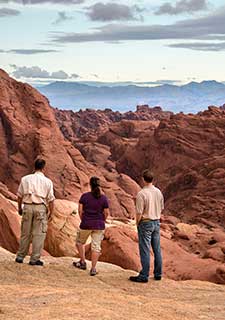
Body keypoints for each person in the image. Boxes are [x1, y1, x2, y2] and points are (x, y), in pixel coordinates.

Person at [15, 158, 55, 266]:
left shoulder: (25, 179)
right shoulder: (48, 181)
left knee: (25, 233)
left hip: (27, 206)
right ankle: (34, 259)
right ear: (43, 168)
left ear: (34, 167)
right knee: (38, 234)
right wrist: (51, 212)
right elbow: (51, 199)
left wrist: (20, 208)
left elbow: (19, 196)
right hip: (40, 208)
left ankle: (20, 256)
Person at [129, 169, 164, 283]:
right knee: (157, 249)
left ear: (143, 179)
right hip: (156, 222)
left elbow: (139, 212)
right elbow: (161, 207)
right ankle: (158, 274)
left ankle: (144, 275)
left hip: (145, 222)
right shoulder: (158, 192)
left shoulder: (141, 193)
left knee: (145, 249)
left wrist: (137, 223)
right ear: (152, 179)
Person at [73, 176, 109, 276]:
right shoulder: (103, 198)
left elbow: (80, 210)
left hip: (86, 223)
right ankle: (93, 269)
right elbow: (106, 213)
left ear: (90, 185)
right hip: (99, 225)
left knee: (80, 242)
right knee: (96, 247)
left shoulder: (84, 196)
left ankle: (82, 262)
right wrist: (102, 220)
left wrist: (83, 219)